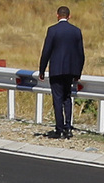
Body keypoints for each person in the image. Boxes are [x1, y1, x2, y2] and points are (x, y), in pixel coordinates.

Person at [38, 6, 85, 139]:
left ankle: (59, 129)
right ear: (69, 16)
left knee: (57, 99)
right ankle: (68, 127)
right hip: (70, 71)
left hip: (56, 70)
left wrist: (42, 70)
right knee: (67, 98)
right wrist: (78, 72)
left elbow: (46, 51)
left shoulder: (52, 30)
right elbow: (81, 54)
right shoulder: (76, 31)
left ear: (57, 15)